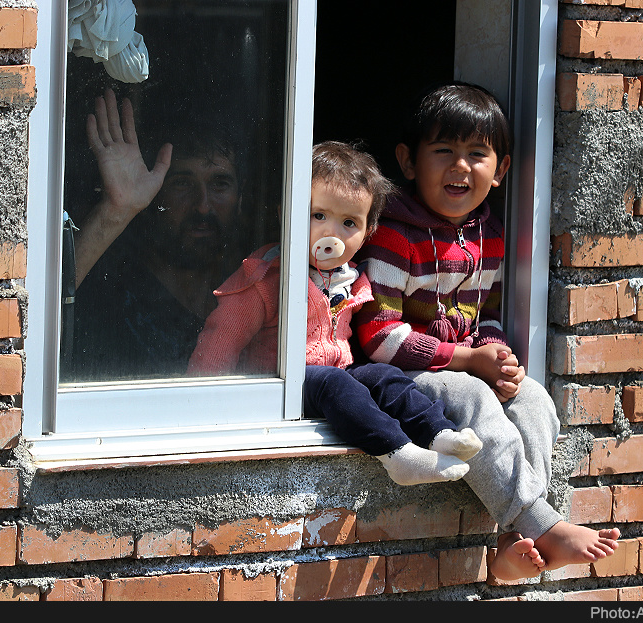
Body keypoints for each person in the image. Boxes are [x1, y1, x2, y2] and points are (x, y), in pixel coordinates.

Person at [353, 82, 620, 579]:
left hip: (462, 369)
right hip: (400, 380)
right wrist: (468, 362)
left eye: (477, 154)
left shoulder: (487, 233)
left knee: (535, 402)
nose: (460, 166)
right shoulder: (393, 235)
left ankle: (512, 544)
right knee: (474, 399)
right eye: (444, 151)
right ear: (408, 162)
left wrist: (495, 353)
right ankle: (541, 523)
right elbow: (378, 339)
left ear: (500, 171)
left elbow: (487, 315)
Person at [188, 141, 483, 486]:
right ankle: (398, 453)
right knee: (336, 383)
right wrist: (204, 401)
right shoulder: (268, 277)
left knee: (383, 376)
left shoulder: (352, 278)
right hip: (279, 382)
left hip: (336, 372)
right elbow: (222, 336)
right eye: (318, 216)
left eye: (348, 222)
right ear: (288, 212)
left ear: (367, 232)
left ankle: (438, 432)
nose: (331, 233)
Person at [61, 88, 250, 381]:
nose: (203, 206)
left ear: (240, 199)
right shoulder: (115, 293)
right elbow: (35, 319)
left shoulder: (260, 291)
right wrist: (116, 211)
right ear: (155, 191)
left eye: (220, 184)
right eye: (182, 183)